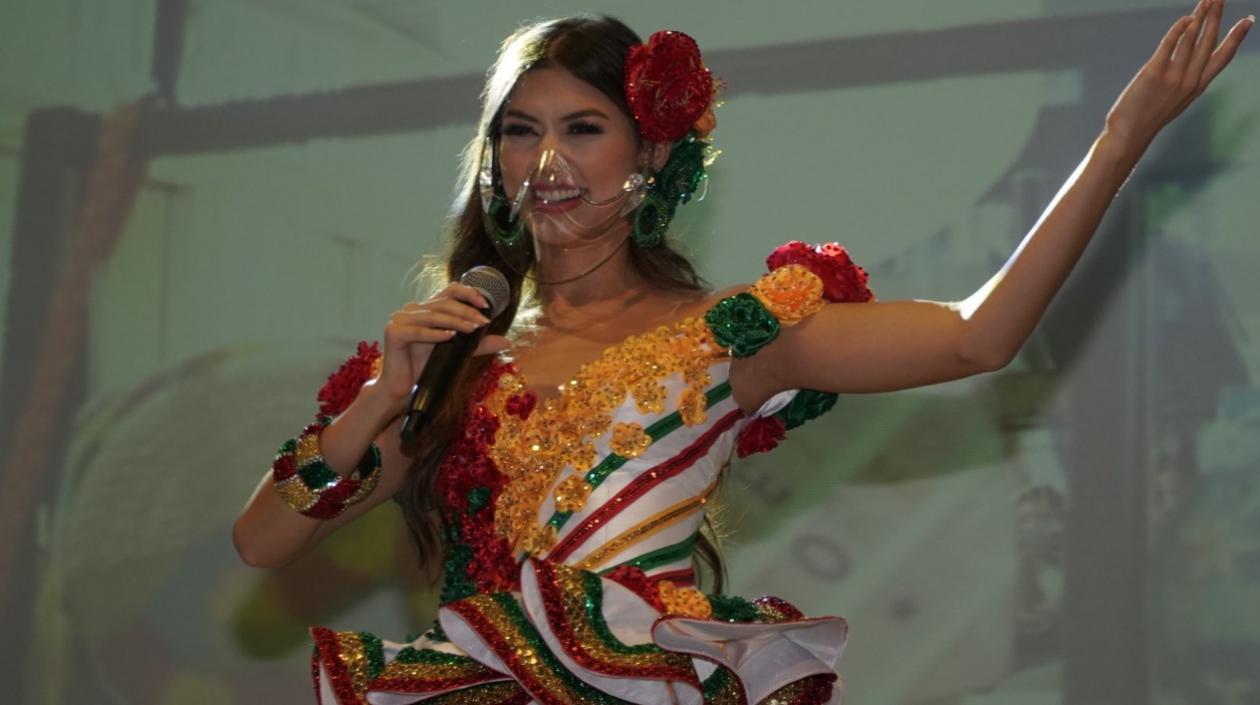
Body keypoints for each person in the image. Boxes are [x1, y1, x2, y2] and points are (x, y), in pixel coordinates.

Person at [233, 4, 1251, 704]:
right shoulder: (457, 357)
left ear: (654, 154)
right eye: (518, 133)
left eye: (584, 129)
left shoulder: (729, 335)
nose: (546, 163)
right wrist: (378, 399)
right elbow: (262, 545)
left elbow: (978, 336)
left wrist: (1119, 140)